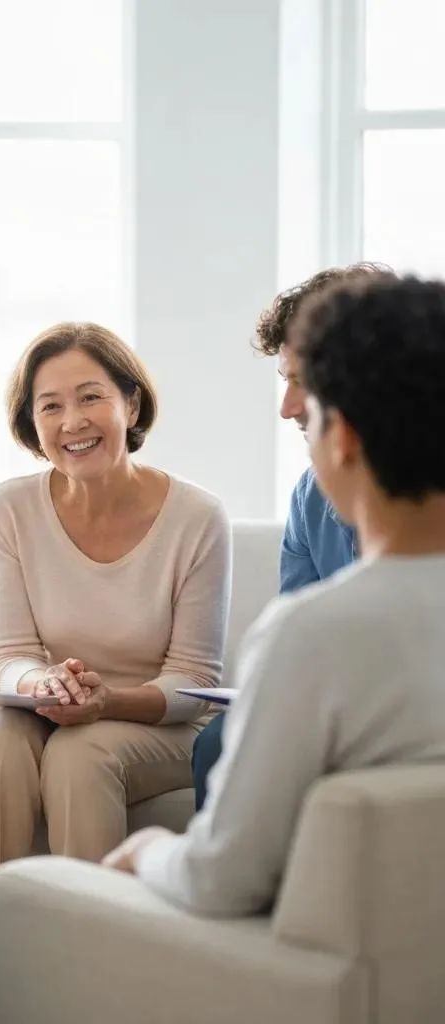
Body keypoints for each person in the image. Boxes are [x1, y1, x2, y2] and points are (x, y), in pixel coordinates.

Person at [105, 273, 445, 915]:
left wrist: (146, 849)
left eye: (306, 401)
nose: (288, 409)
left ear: (341, 436)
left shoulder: (315, 636)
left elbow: (219, 883)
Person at [0, 322, 231, 1024]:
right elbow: (9, 651)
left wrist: (105, 702)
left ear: (130, 405)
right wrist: (38, 685)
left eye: (90, 398)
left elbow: (193, 678)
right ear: (31, 422)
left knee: (82, 753)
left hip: (155, 720)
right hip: (51, 708)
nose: (72, 421)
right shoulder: (9, 508)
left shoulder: (196, 517)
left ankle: (91, 977)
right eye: (50, 406)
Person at [190, 262, 389, 810]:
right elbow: (293, 630)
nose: (287, 408)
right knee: (222, 741)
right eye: (286, 381)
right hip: (328, 705)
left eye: (302, 381)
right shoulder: (311, 495)